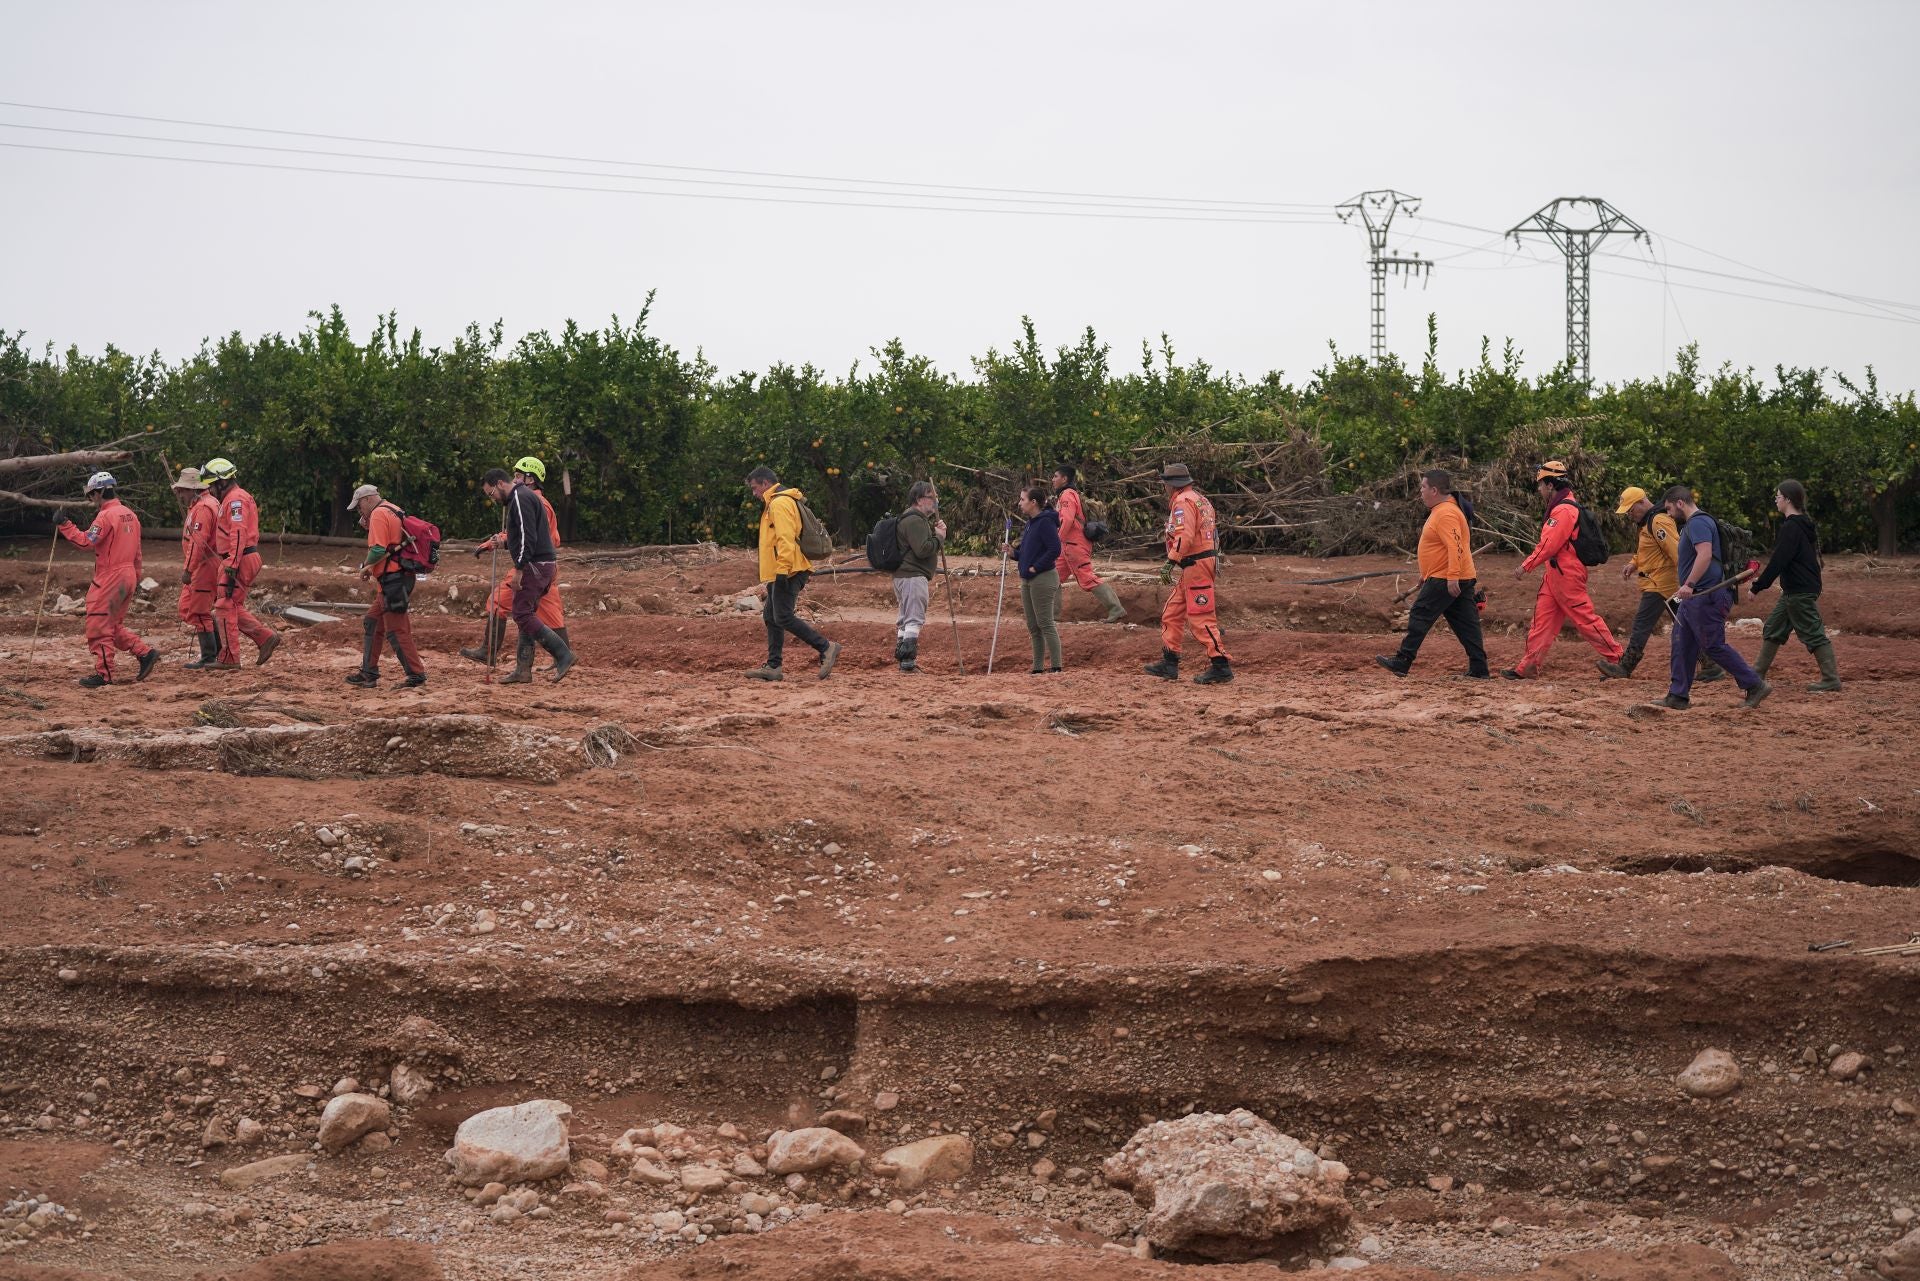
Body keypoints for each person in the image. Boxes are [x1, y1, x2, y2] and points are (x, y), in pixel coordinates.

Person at [1505, 461, 1623, 679]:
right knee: (1542, 621)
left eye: (1541, 485)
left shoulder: (1563, 510)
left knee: (1585, 620)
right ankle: (1528, 666)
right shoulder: (1565, 506)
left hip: (1566, 575)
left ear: (1551, 485)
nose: (1539, 489)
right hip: (1556, 574)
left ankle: (1618, 659)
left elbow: (1549, 545)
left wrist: (1525, 566)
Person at [1659, 485, 1770, 710]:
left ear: (1680, 503)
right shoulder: (1696, 523)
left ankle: (1754, 684)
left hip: (1706, 595)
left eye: (1669, 508)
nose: (1669, 514)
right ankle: (1677, 696)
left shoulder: (1698, 522)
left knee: (1712, 645)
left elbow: (1705, 554)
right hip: (1696, 597)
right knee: (1682, 643)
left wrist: (1689, 584)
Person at [1597, 486, 1722, 683]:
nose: (1629, 514)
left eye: (1631, 509)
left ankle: (1625, 667)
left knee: (1641, 625)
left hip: (1661, 585)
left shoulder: (1658, 520)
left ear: (1641, 502)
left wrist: (1690, 582)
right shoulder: (1649, 522)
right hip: (1664, 583)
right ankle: (1711, 665)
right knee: (1686, 624)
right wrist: (1634, 563)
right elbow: (1649, 550)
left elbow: (1678, 552)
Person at [1375, 469, 1487, 678]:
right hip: (1449, 575)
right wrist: (1426, 572)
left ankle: (1403, 661)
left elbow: (1455, 547)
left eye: (1423, 487)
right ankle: (1479, 668)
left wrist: (1452, 576)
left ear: (1434, 490)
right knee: (1466, 623)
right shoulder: (1445, 510)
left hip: (1447, 577)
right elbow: (1443, 548)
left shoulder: (1446, 513)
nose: (1420, 491)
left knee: (1420, 613)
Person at [56, 472, 159, 688]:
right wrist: (135, 578)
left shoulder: (105, 517)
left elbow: (86, 542)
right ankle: (145, 653)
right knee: (111, 625)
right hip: (128, 575)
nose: (91, 498)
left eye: (92, 494)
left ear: (99, 492)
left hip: (111, 578)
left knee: (98, 625)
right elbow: (138, 552)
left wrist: (65, 525)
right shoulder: (130, 514)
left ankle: (105, 675)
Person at [463, 462, 567, 666]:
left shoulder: (530, 501)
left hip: (532, 564)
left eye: (519, 475)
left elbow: (531, 535)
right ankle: (561, 657)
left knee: (499, 600)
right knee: (550, 611)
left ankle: (489, 651)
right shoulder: (532, 499)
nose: (516, 479)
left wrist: (501, 545)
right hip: (545, 566)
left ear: (531, 479)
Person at [482, 462, 577, 683]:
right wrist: (505, 545)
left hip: (535, 566)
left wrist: (519, 569)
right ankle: (523, 670)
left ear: (499, 484)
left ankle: (563, 655)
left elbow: (527, 537)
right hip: (542, 564)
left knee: (522, 615)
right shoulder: (524, 496)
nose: (493, 498)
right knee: (526, 613)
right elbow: (524, 536)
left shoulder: (520, 498)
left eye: (491, 493)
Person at [744, 465, 840, 682]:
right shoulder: (779, 502)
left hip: (788, 570)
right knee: (771, 616)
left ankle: (826, 647)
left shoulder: (779, 503)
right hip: (784, 569)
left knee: (783, 616)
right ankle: (773, 667)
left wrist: (781, 573)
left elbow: (785, 540)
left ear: (765, 483)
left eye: (754, 488)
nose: (754, 493)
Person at [1144, 462, 1232, 684]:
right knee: (1172, 612)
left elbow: (1185, 535)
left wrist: (1170, 561)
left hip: (1195, 564)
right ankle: (1169, 662)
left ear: (1171, 485)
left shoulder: (1183, 503)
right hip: (1197, 564)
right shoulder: (1200, 499)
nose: (1164, 487)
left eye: (1165, 483)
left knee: (1201, 617)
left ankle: (1220, 665)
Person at [1751, 478, 1840, 693]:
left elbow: (1779, 561)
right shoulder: (1801, 524)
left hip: (1799, 590)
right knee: (1773, 628)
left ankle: (1831, 680)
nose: (1776, 500)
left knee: (1813, 633)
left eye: (1778, 496)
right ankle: (1754, 676)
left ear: (1788, 500)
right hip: (1794, 590)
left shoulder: (1792, 527)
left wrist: (1758, 585)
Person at [343, 484, 427, 688]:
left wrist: (366, 567)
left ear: (367, 500)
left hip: (393, 581)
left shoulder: (379, 514)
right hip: (395, 579)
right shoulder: (392, 508)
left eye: (359, 507)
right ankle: (368, 673)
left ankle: (416, 675)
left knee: (397, 630)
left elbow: (379, 549)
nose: (359, 511)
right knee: (372, 621)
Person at [200, 457, 280, 670]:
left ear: (221, 481)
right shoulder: (236, 498)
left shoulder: (235, 500)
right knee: (232, 605)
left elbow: (238, 531)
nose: (209, 489)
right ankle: (264, 637)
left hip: (239, 557)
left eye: (211, 484)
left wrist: (232, 562)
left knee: (224, 605)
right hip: (240, 556)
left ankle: (229, 658)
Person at [1050, 466, 1125, 623]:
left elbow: (1068, 520)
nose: (1052, 479)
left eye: (1055, 476)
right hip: (1068, 545)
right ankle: (1052, 617)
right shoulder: (1069, 494)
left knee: (1086, 578)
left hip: (1073, 545)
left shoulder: (1067, 495)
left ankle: (1116, 609)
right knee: (1053, 578)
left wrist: (1055, 540)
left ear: (1064, 479)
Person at [171, 466, 223, 670]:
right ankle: (215, 652)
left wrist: (188, 569)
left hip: (204, 565)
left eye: (183, 490)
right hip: (206, 564)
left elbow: (198, 543)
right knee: (190, 608)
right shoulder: (206, 503)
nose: (180, 494)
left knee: (199, 610)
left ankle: (210, 656)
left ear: (192, 489)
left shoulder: (202, 508)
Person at [1008, 484, 1064, 673]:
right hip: (1027, 578)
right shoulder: (1031, 522)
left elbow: (1055, 549)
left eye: (1023, 499)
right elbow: (1027, 551)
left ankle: (1056, 666)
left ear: (1033, 503)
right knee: (1033, 625)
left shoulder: (1045, 522)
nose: (1020, 503)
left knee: (1045, 623)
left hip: (1043, 578)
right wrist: (1013, 553)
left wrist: (1036, 567)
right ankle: (1038, 667)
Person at [890, 481, 945, 673]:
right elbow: (922, 550)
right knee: (913, 618)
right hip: (913, 576)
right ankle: (907, 664)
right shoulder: (915, 520)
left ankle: (904, 661)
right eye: (932, 498)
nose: (935, 503)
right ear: (920, 499)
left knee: (906, 618)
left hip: (905, 575)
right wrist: (939, 537)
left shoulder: (911, 518)